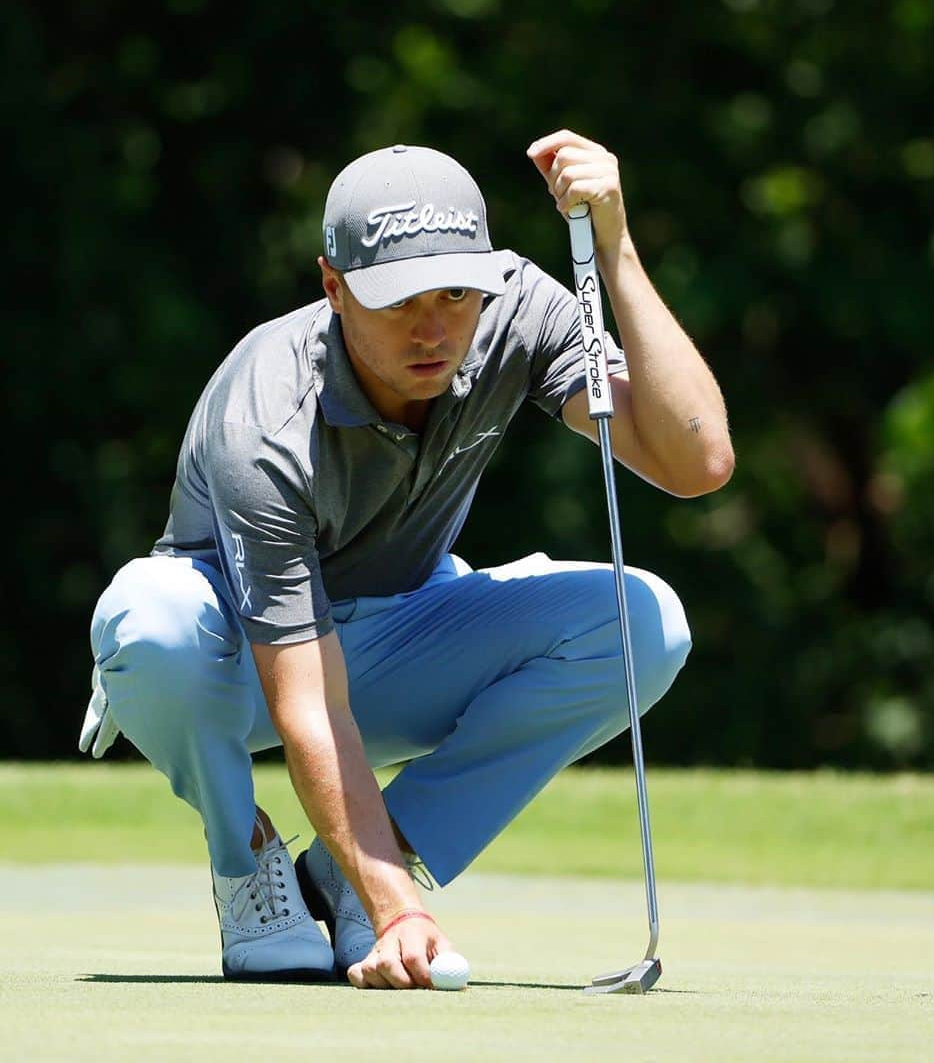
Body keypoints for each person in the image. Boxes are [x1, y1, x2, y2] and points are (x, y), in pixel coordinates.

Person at [79, 130, 734, 989]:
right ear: (333, 286)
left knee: (644, 623)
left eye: (455, 294)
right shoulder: (267, 410)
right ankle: (249, 867)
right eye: (398, 302)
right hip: (234, 666)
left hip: (403, 634)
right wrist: (407, 917)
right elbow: (309, 704)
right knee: (149, 620)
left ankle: (354, 873)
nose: (433, 329)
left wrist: (614, 246)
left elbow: (697, 460)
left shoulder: (518, 311)